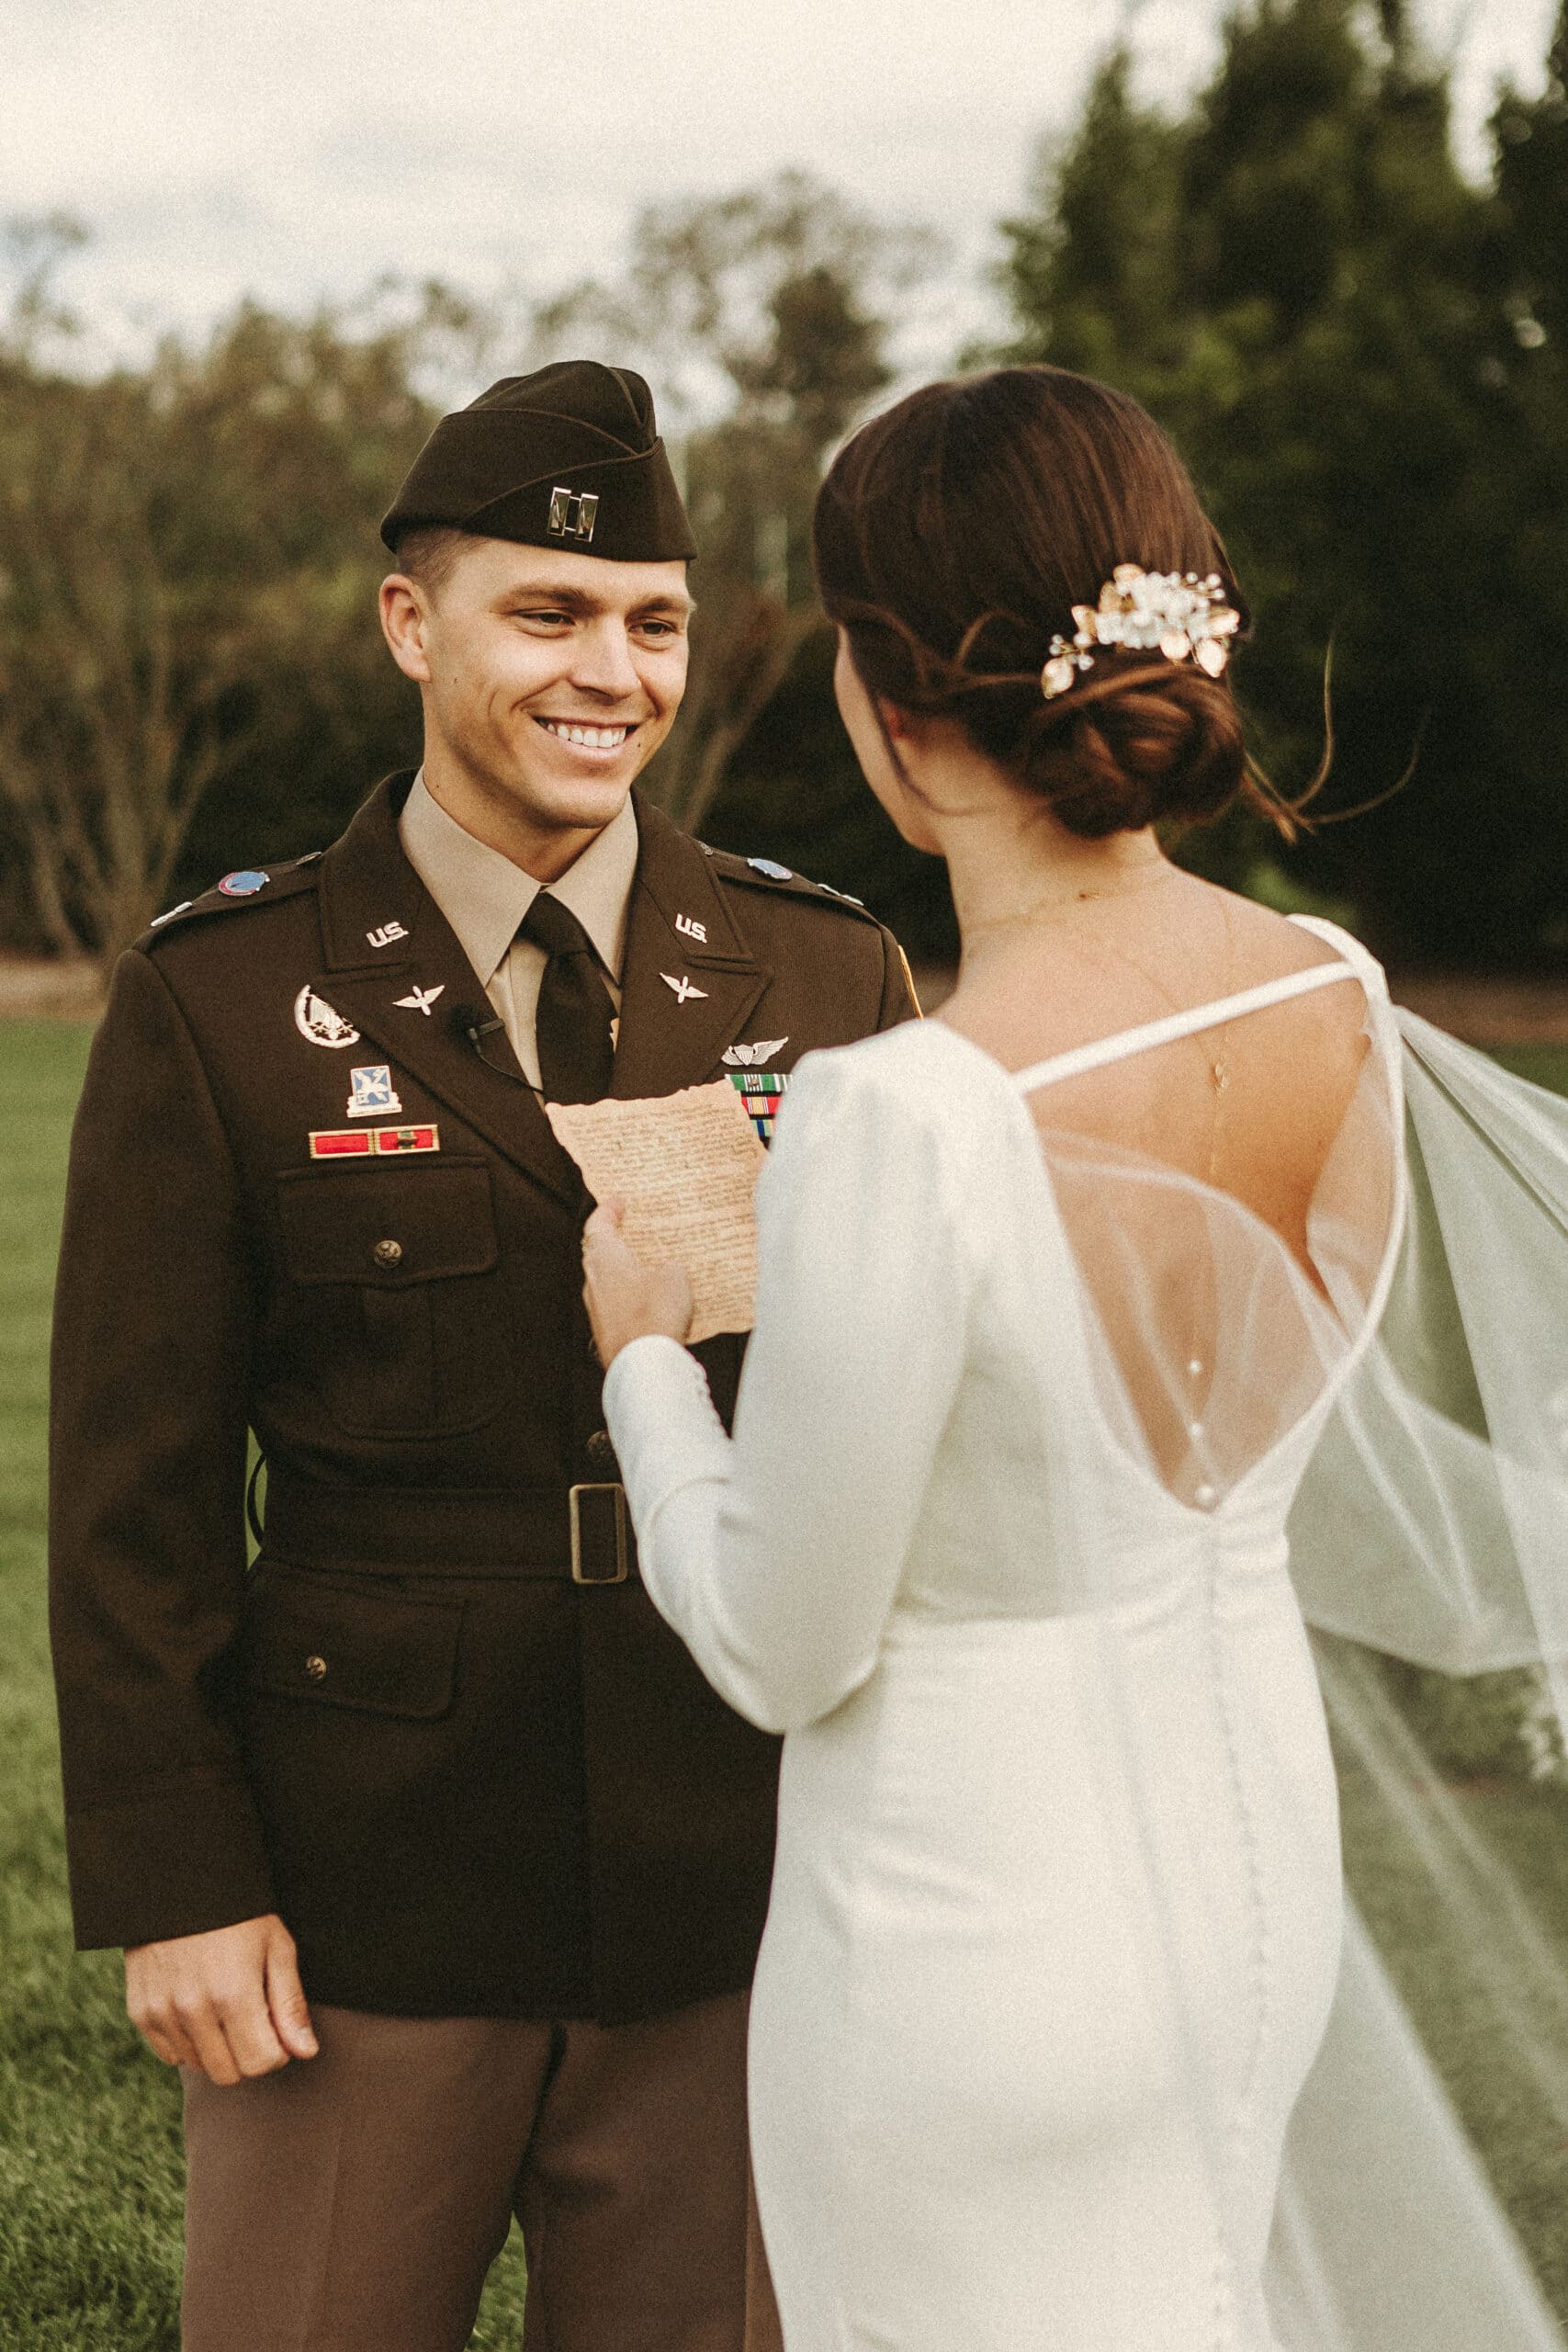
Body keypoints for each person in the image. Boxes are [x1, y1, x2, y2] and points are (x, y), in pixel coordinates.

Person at [579, 365, 1568, 2351]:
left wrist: (643, 1364)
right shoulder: (1336, 997)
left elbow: (784, 1638)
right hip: (1244, 1881)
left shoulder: (909, 1112)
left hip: (963, 1942)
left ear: (883, 699)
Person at [47, 359, 919, 2352]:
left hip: (728, 1887)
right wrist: (182, 1876)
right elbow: (135, 1497)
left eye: (652, 622)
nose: (608, 668)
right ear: (407, 620)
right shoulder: (225, 995)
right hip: (366, 1892)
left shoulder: (821, 972)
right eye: (548, 611)